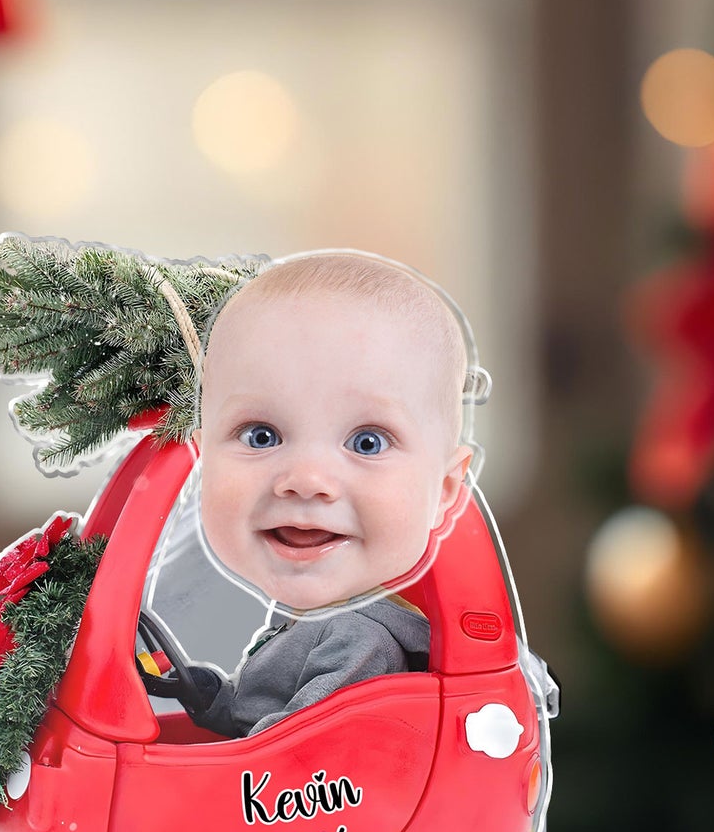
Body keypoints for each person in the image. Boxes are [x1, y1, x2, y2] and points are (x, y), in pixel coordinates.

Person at [145, 252, 473, 739]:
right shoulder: (314, 617)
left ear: (443, 492)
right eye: (261, 435)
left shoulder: (359, 641)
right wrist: (208, 695)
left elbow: (294, 756)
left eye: (367, 442)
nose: (305, 478)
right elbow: (257, 713)